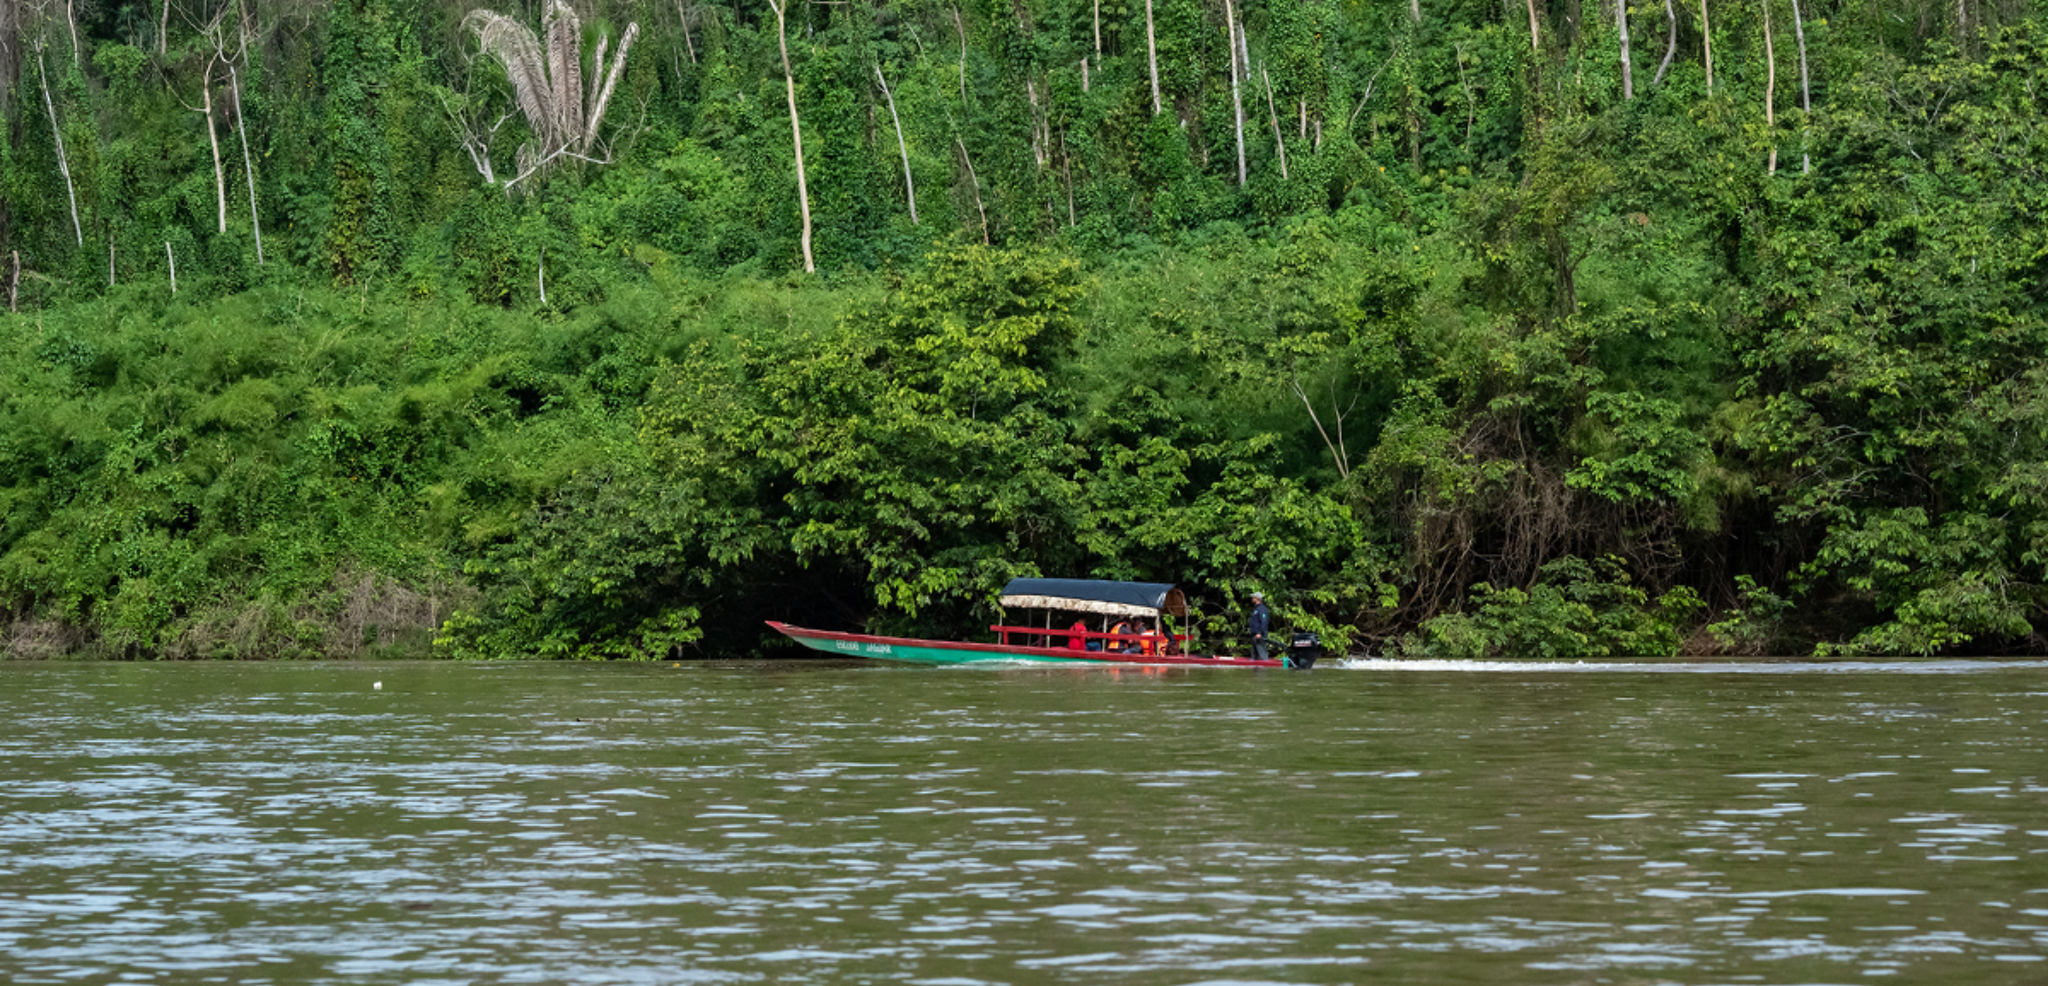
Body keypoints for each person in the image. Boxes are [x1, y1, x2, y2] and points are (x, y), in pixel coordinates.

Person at [1246, 591, 1271, 662]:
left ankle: (1264, 665)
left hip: (1259, 634)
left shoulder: (1262, 609)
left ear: (1257, 598)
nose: (1252, 599)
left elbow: (1264, 622)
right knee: (1254, 655)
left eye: (1253, 597)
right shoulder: (1256, 609)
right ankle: (1254, 665)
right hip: (1254, 634)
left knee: (1261, 654)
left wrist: (1260, 633)